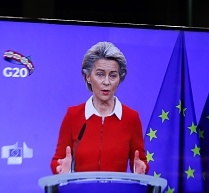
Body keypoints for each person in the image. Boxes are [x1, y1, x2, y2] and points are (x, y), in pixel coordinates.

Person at [50, 41, 148, 175]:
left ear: (120, 79)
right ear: (88, 77)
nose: (106, 82)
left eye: (113, 75)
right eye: (100, 74)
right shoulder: (73, 115)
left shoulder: (131, 118)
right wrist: (60, 168)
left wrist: (141, 169)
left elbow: (140, 161)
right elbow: (58, 160)